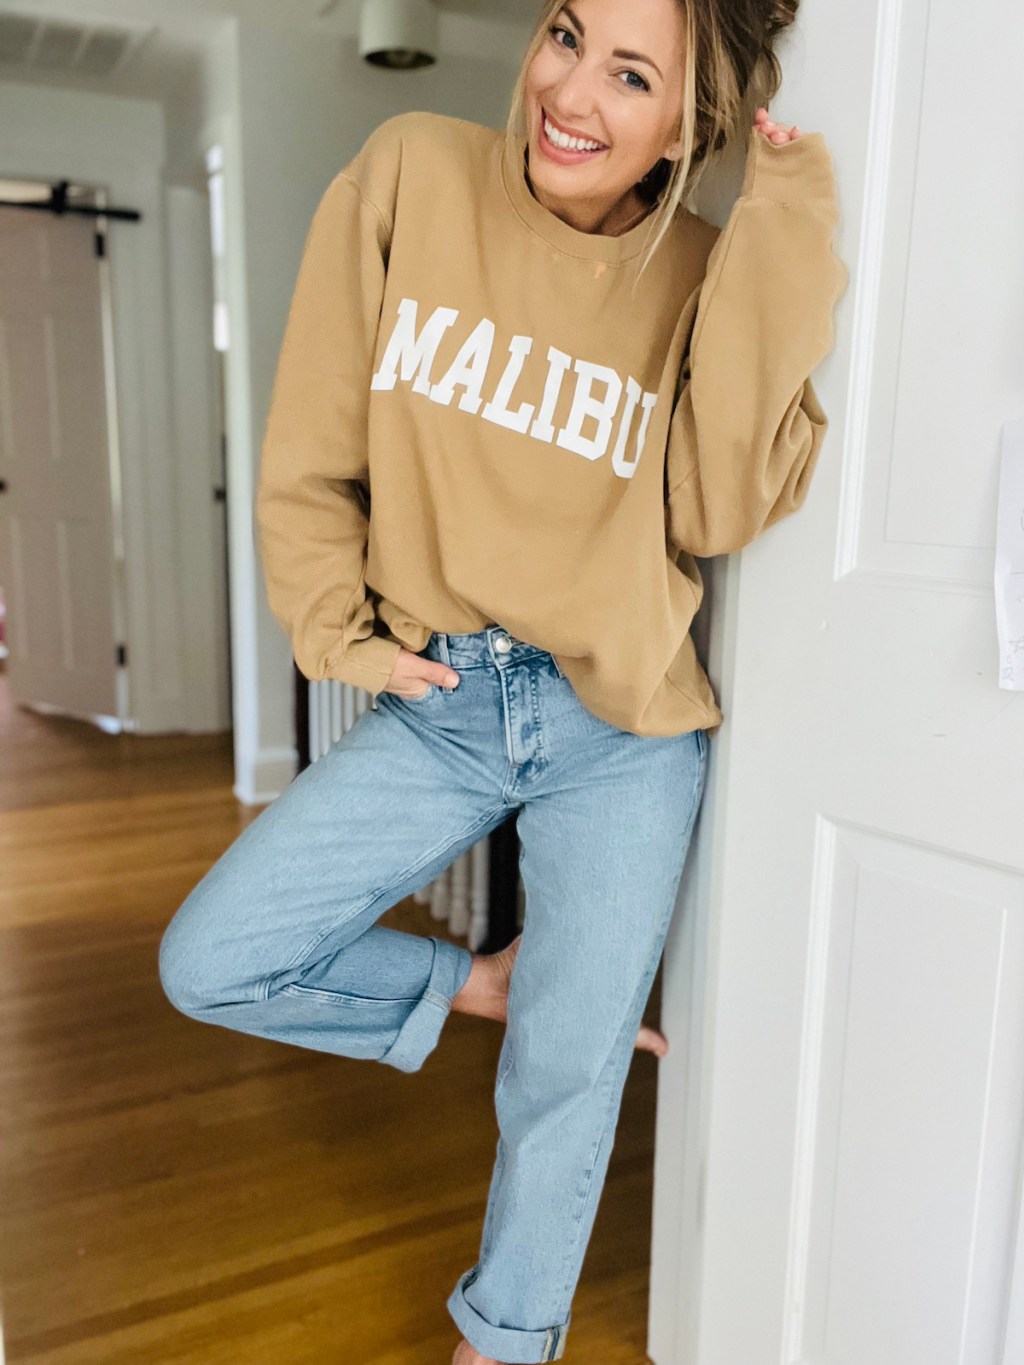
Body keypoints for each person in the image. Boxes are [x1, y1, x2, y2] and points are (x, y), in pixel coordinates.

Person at [157, 0, 847, 1359]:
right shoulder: (412, 172)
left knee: (567, 1073)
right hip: (445, 698)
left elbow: (715, 505)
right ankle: (467, 987)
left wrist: (784, 217)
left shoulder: (701, 266)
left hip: (623, 726)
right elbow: (307, 446)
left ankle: (504, 1340)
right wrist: (335, 632)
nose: (570, 90)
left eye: (630, 73)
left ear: (683, 128)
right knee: (212, 956)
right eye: (565, 32)